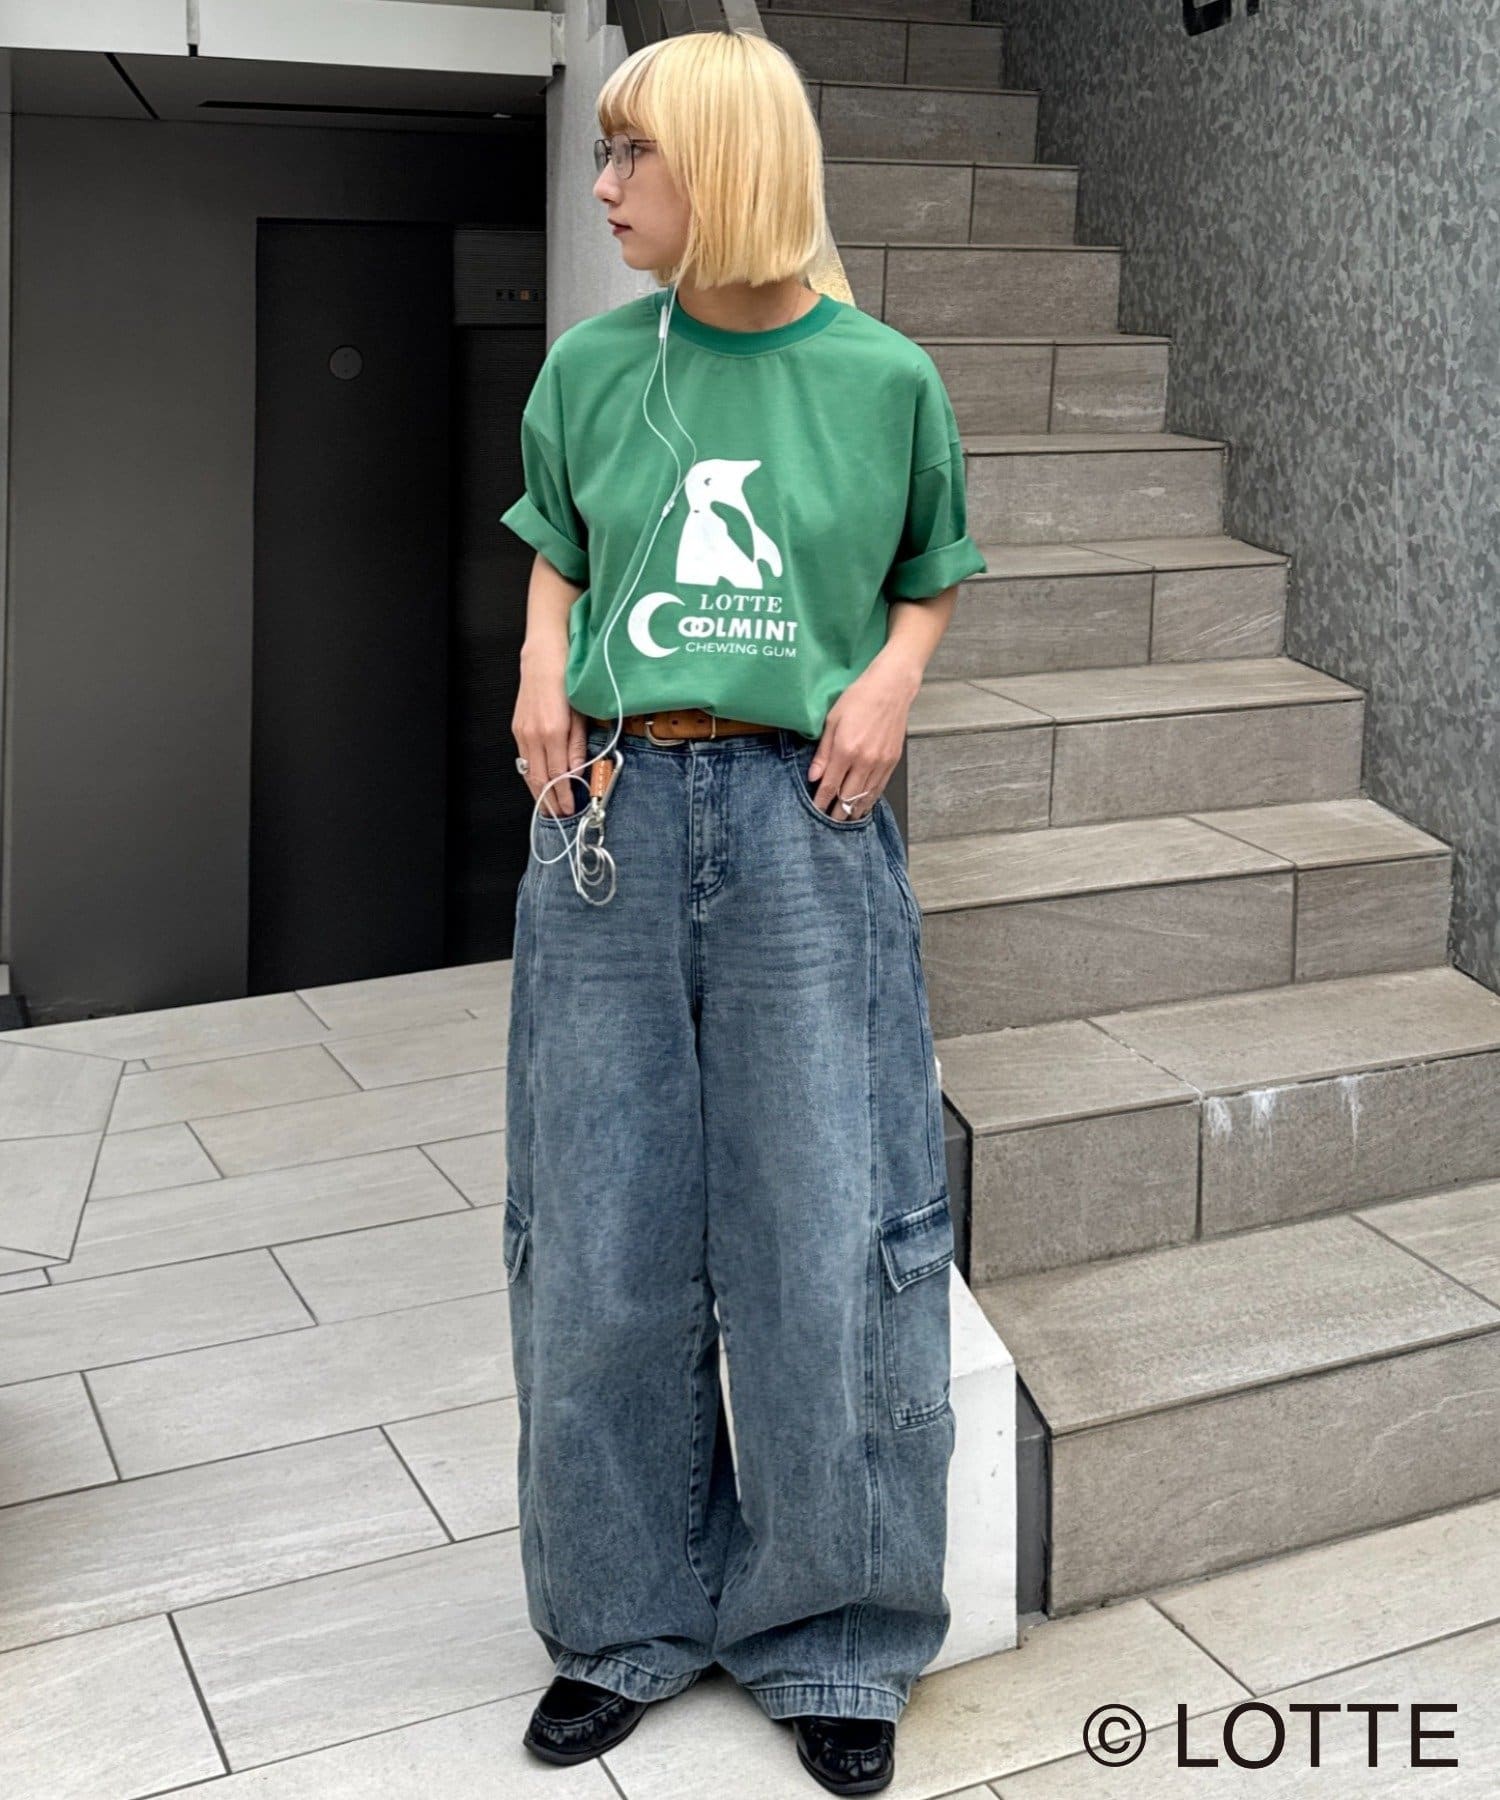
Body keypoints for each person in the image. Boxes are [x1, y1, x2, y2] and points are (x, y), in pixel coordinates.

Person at [499, 25, 987, 1795]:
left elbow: (930, 567)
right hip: (609, 817)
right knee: (599, 1232)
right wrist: (539, 661)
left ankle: (836, 1634)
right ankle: (621, 1620)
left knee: (826, 1231)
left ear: (731, 164)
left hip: (804, 824)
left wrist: (893, 683)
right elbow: (559, 541)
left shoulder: (884, 378)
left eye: (635, 153)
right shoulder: (591, 366)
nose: (605, 185)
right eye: (603, 151)